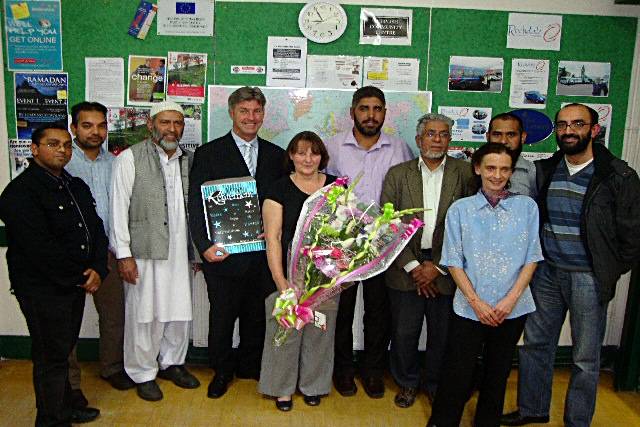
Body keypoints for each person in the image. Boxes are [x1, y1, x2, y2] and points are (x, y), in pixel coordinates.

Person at [501, 103, 640, 427]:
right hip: (547, 272)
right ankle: (532, 409)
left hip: (588, 278)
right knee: (535, 344)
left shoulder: (617, 175)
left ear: (593, 130)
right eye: (562, 125)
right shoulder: (547, 168)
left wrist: (608, 270)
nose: (568, 131)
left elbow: (632, 234)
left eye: (577, 124)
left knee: (585, 357)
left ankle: (577, 421)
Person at [427, 142, 543, 427]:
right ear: (478, 168)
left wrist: (509, 301)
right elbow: (453, 261)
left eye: (504, 169)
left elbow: (532, 258)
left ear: (512, 172)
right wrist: (476, 302)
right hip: (469, 307)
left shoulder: (526, 207)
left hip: (512, 308)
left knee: (498, 372)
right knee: (457, 371)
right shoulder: (461, 210)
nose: (497, 175)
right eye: (490, 168)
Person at [0, 123, 108, 425]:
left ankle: (66, 407)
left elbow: (95, 229)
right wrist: (79, 274)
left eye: (65, 145)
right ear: (34, 149)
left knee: (62, 351)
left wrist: (98, 268)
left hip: (74, 284)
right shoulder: (20, 193)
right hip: (43, 289)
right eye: (52, 144)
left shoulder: (73, 186)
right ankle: (50, 420)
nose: (61, 150)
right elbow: (40, 249)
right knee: (50, 357)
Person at [188, 86, 286, 399]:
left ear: (263, 114)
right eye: (244, 111)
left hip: (263, 255)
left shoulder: (277, 155)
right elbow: (196, 207)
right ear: (231, 113)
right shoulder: (208, 153)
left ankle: (249, 366)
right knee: (222, 316)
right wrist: (203, 246)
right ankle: (221, 370)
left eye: (256, 111)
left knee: (257, 316)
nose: (250, 117)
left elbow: (282, 203)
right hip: (223, 255)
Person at [381, 113, 475, 409]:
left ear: (450, 139)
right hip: (405, 266)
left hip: (448, 267)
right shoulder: (398, 174)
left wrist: (437, 267)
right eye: (430, 134)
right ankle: (407, 382)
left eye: (443, 134)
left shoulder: (466, 173)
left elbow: (471, 226)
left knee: (442, 335)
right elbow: (387, 225)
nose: (437, 139)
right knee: (404, 333)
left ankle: (435, 384)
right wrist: (414, 267)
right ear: (419, 139)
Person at [325, 86, 414, 398]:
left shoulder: (399, 148)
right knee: (342, 311)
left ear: (385, 113)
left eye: (377, 109)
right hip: (344, 245)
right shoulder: (333, 147)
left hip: (384, 245)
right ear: (353, 112)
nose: (371, 115)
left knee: (379, 311)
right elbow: (322, 195)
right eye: (364, 108)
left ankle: (373, 370)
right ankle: (343, 369)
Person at [110, 101, 200, 402]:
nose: (171, 129)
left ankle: (172, 363)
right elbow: (118, 208)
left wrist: (198, 252)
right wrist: (123, 254)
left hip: (180, 251)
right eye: (165, 122)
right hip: (144, 251)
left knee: (179, 312)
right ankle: (142, 372)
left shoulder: (190, 160)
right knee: (143, 314)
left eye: (177, 123)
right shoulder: (129, 159)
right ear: (151, 125)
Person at [258, 131, 338, 411]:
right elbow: (273, 237)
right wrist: (281, 282)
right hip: (287, 272)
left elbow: (344, 234)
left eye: (314, 153)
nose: (308, 158)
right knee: (285, 332)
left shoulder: (335, 187)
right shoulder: (277, 189)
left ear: (322, 157)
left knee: (319, 330)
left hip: (325, 277)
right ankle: (281, 389)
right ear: (291, 155)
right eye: (301, 152)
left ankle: (313, 385)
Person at [65, 102, 135, 409]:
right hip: (69, 255)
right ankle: (70, 384)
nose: (96, 132)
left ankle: (112, 367)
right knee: (66, 321)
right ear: (74, 128)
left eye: (101, 126)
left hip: (106, 252)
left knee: (114, 315)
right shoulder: (63, 163)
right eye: (87, 125)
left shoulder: (116, 163)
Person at [486, 112, 536, 197]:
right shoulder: (470, 170)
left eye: (511, 134)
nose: (503, 141)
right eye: (497, 134)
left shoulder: (534, 172)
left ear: (523, 137)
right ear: (488, 137)